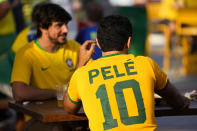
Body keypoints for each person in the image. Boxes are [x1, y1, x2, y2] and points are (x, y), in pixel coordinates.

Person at [64, 15, 190, 131]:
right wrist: (182, 101)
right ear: (128, 42)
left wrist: (80, 64)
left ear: (98, 43)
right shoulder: (147, 64)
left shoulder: (82, 74)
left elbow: (69, 109)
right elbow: (177, 101)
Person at [11, 2, 80, 102]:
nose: (65, 30)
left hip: (71, 113)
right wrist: (57, 93)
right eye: (59, 25)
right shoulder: (26, 53)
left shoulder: (75, 47)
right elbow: (19, 93)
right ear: (42, 27)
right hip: (37, 116)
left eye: (66, 24)